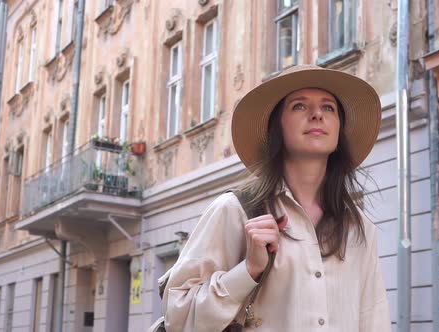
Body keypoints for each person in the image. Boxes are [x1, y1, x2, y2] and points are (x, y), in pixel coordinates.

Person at [162, 64, 391, 331]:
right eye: (299, 106)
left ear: (339, 131)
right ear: (276, 127)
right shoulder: (236, 211)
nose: (317, 114)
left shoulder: (358, 227)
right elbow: (177, 316)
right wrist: (248, 270)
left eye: (329, 107)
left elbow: (373, 319)